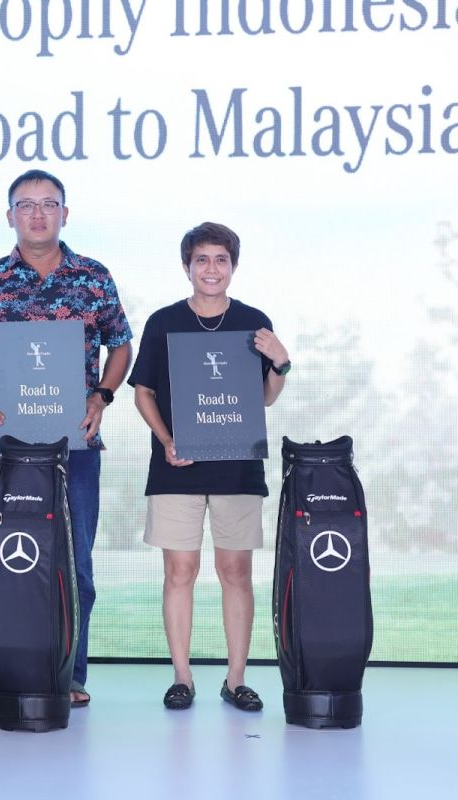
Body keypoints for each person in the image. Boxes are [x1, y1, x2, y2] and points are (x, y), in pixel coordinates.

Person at [0, 169, 133, 707]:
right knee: (7, 561)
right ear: (10, 215)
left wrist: (102, 395)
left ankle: (69, 672)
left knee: (75, 563)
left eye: (48, 204)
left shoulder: (93, 277)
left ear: (65, 213)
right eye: (26, 204)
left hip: (74, 446)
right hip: (4, 448)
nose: (37, 214)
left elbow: (121, 343)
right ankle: (4, 671)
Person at [127, 221, 290, 713]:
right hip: (176, 465)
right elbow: (143, 392)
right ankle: (182, 678)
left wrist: (280, 364)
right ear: (187, 267)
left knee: (235, 571)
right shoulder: (163, 322)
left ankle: (236, 680)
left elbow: (264, 397)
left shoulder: (254, 321)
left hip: (237, 467)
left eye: (221, 259)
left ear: (233, 266)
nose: (212, 268)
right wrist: (166, 440)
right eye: (202, 259)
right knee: (180, 570)